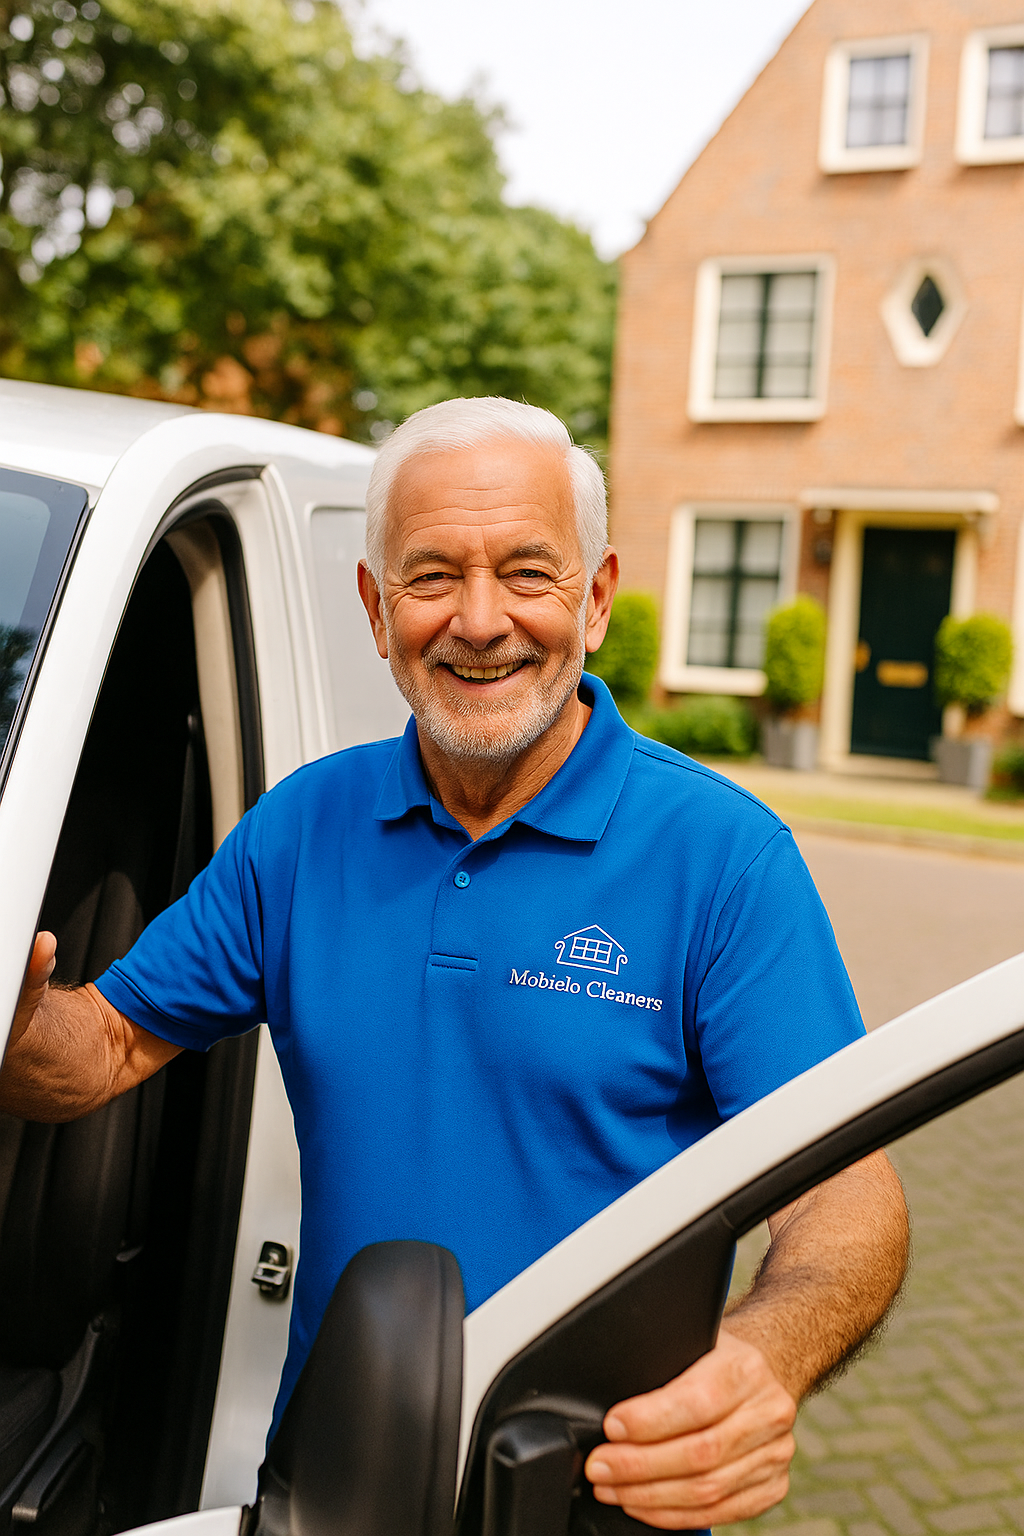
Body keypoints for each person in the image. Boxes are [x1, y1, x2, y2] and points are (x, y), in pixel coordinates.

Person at [3, 397, 908, 1531]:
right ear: (378, 612)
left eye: (528, 572)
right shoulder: (302, 831)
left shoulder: (721, 858)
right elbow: (99, 1049)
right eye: (431, 578)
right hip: (336, 1481)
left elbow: (850, 1203)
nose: (479, 622)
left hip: (592, 1495)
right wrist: (16, 1012)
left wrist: (763, 1360)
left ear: (598, 596)